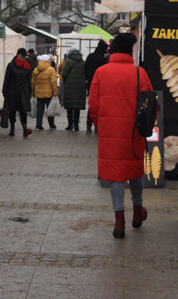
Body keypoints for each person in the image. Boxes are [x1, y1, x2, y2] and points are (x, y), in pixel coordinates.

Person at [88, 33, 151, 239]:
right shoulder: (140, 73)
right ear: (130, 51)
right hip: (134, 132)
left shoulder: (101, 72)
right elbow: (151, 105)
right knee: (134, 171)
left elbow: (93, 105)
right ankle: (138, 211)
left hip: (110, 132)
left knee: (116, 175)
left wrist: (102, 126)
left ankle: (119, 221)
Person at [2, 48, 34, 138]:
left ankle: (25, 129)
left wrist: (30, 91)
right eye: (23, 56)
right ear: (18, 55)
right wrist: (4, 91)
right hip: (13, 92)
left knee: (23, 111)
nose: (24, 57)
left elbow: (29, 80)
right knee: (12, 111)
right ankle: (12, 128)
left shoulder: (27, 65)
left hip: (24, 92)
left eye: (25, 56)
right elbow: (6, 79)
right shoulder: (11, 65)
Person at [82, 40, 109, 134]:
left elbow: (85, 69)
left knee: (92, 105)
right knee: (100, 106)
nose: (107, 50)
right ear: (103, 49)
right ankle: (97, 127)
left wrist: (88, 79)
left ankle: (88, 125)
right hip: (101, 85)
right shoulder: (103, 59)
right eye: (106, 48)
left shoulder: (90, 56)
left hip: (90, 84)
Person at [61, 48, 87, 130]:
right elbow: (86, 74)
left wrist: (66, 82)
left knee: (69, 107)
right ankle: (76, 125)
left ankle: (70, 125)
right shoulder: (83, 63)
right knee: (77, 108)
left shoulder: (68, 62)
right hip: (80, 87)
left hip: (69, 87)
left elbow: (64, 74)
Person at [31, 55, 58, 130]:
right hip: (49, 93)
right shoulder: (51, 69)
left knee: (40, 109)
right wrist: (55, 92)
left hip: (38, 93)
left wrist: (33, 91)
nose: (50, 61)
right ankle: (51, 125)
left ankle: (38, 125)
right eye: (49, 59)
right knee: (50, 109)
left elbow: (33, 82)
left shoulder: (36, 70)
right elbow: (53, 82)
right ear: (46, 60)